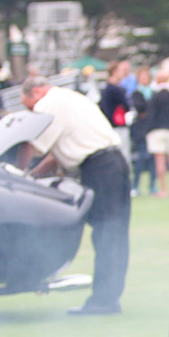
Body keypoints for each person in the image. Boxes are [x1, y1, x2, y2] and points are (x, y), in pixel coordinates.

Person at [16, 77, 131, 315]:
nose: (31, 110)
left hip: (99, 167)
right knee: (114, 232)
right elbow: (57, 153)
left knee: (107, 233)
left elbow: (31, 143)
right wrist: (33, 174)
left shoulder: (48, 103)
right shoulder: (67, 98)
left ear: (37, 92)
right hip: (112, 163)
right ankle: (109, 297)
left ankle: (104, 301)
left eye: (28, 105)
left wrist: (17, 174)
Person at [147, 69, 169, 197]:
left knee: (160, 161)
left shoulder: (155, 96)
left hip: (157, 130)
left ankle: (164, 190)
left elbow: (151, 115)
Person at [99, 60, 131, 160]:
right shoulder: (115, 89)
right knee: (123, 154)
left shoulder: (105, 88)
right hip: (117, 126)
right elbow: (127, 105)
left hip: (111, 126)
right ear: (114, 71)